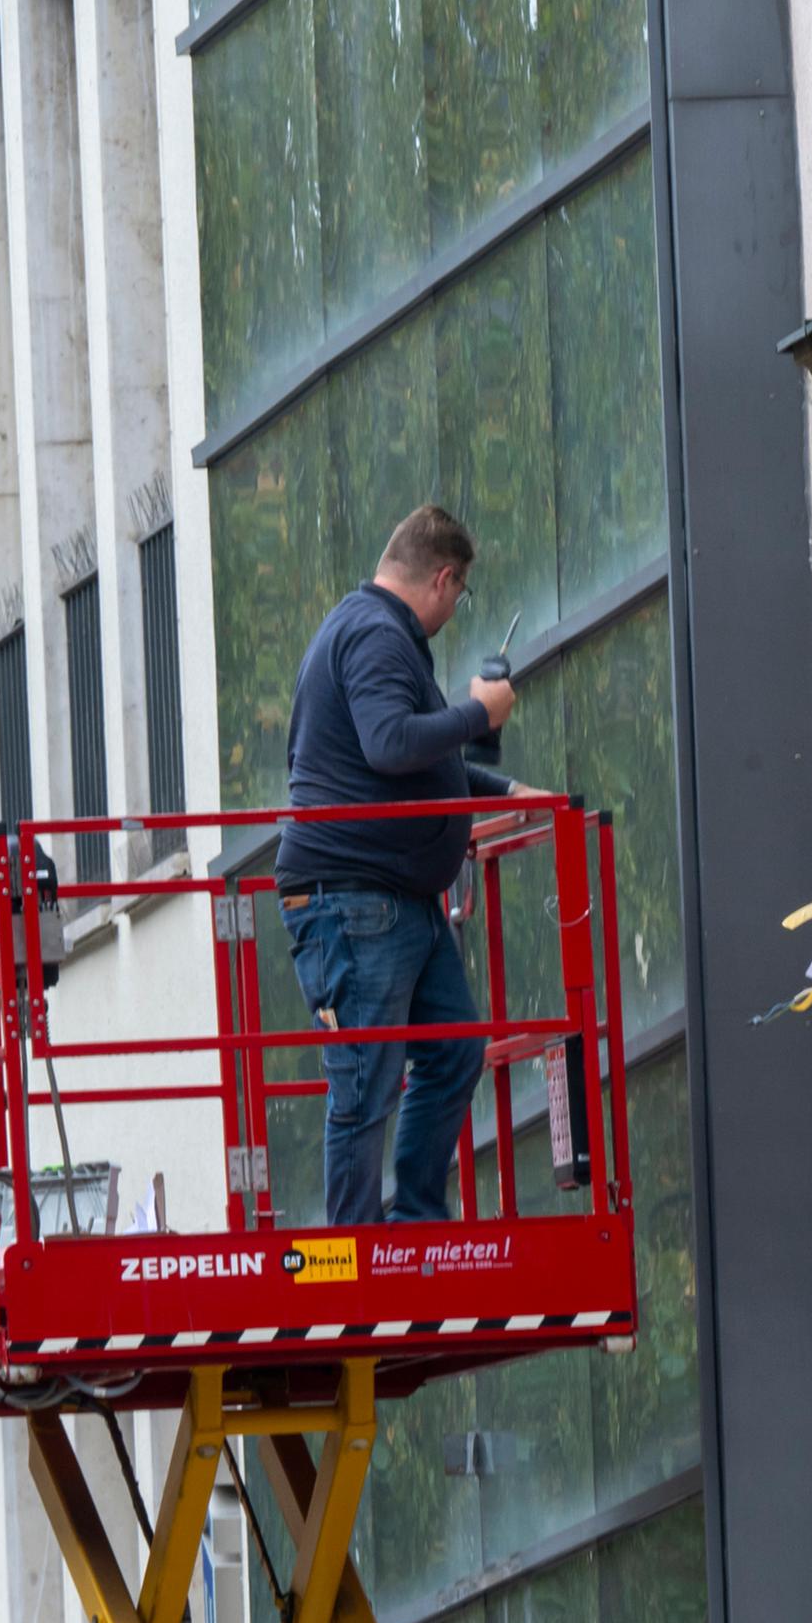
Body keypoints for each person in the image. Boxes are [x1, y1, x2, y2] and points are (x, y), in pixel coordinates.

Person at [278, 504, 518, 1227]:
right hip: (357, 900)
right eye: (461, 590)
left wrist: (505, 789)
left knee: (452, 1051)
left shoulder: (370, 633)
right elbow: (390, 744)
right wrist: (481, 714)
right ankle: (356, 1259)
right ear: (444, 579)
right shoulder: (379, 636)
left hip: (393, 900)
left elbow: (407, 762)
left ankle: (414, 1222)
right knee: (365, 1084)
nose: (455, 605)